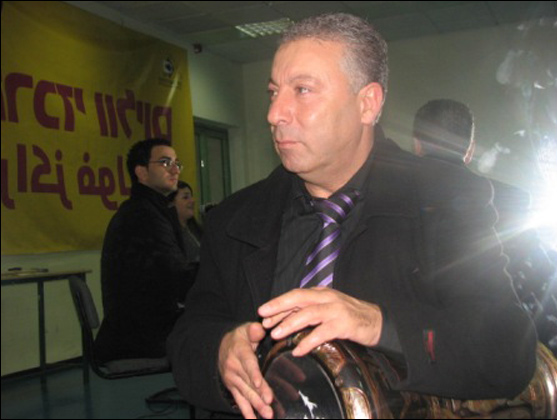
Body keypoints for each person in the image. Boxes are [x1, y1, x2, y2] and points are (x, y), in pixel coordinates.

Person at [167, 14, 537, 419]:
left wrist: (380, 324)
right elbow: (189, 336)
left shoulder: (442, 200)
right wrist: (220, 350)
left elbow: (505, 351)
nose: (275, 113)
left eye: (302, 90)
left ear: (367, 104)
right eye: (273, 92)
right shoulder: (235, 219)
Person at [413, 98, 557, 359]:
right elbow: (544, 295)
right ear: (470, 150)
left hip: (406, 357)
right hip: (500, 360)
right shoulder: (512, 210)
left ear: (417, 144)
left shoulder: (382, 199)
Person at [95, 138, 196, 363]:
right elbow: (177, 278)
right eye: (165, 162)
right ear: (141, 172)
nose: (175, 170)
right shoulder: (142, 216)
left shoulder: (149, 209)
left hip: (143, 325)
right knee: (223, 328)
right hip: (141, 335)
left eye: (176, 163)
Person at [169, 180, 203, 267]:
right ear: (171, 203)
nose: (192, 201)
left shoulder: (197, 229)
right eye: (185, 197)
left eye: (191, 196)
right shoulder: (169, 234)